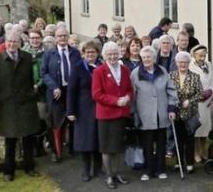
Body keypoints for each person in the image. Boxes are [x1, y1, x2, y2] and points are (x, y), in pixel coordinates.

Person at [0, 31, 40, 181]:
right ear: (5, 43)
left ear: (20, 43)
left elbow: (32, 78)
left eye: (15, 42)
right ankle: (8, 171)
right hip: (7, 105)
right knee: (10, 140)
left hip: (26, 103)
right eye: (9, 41)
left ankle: (29, 167)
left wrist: (32, 92)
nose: (12, 44)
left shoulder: (27, 57)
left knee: (28, 138)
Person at [131, 45, 177, 181]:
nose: (146, 59)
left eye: (149, 57)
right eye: (144, 57)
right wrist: (133, 113)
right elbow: (132, 94)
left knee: (161, 143)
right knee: (147, 144)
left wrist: (172, 108)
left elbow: (171, 90)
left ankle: (160, 169)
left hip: (161, 113)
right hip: (144, 114)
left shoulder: (162, 71)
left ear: (154, 58)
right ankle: (148, 170)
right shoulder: (135, 73)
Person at [92, 42, 133, 189]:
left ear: (119, 54)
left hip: (121, 115)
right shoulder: (99, 71)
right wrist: (116, 101)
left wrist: (128, 97)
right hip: (106, 115)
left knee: (119, 146)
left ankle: (118, 173)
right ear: (104, 55)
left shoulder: (125, 69)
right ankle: (109, 176)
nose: (113, 56)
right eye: (109, 54)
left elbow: (130, 89)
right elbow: (96, 95)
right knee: (107, 148)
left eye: (115, 53)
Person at [41, 26, 81, 163]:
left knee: (74, 121)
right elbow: (44, 73)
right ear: (55, 38)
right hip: (57, 93)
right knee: (56, 124)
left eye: (64, 36)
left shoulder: (75, 53)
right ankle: (56, 152)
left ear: (68, 37)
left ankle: (74, 149)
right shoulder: (49, 54)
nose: (62, 38)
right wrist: (54, 87)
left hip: (72, 92)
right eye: (59, 36)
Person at [67, 41, 102, 182]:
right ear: (83, 53)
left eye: (93, 52)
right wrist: (70, 111)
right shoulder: (77, 68)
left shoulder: (102, 66)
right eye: (87, 52)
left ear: (97, 53)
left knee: (98, 139)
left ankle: (98, 169)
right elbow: (71, 90)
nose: (90, 54)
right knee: (85, 141)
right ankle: (86, 170)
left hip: (99, 108)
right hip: (83, 109)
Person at [170, 51, 203, 174]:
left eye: (185, 62)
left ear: (189, 63)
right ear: (176, 63)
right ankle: (178, 162)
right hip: (176, 112)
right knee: (177, 138)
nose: (183, 64)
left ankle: (189, 163)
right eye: (180, 62)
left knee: (189, 139)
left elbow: (200, 93)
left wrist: (190, 101)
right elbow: (168, 92)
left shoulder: (195, 76)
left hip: (190, 113)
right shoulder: (171, 76)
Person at [23, 29, 48, 157]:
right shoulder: (23, 53)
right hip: (27, 91)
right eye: (32, 38)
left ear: (41, 39)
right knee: (30, 120)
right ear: (29, 39)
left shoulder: (46, 53)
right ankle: (31, 147)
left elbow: (47, 71)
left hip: (42, 91)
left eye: (37, 38)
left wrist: (39, 84)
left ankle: (40, 145)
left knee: (42, 119)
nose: (35, 40)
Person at [189, 44, 213, 163]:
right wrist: (199, 94)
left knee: (205, 128)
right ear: (194, 55)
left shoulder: (209, 65)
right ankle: (196, 152)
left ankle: (203, 150)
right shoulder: (190, 65)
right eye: (200, 56)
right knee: (197, 128)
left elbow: (212, 81)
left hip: (207, 101)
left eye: (204, 55)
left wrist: (210, 93)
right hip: (196, 101)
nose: (202, 58)